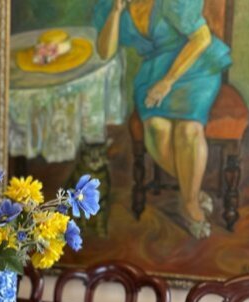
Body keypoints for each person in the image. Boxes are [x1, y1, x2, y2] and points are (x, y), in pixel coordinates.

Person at [94, 0, 232, 238]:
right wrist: (116, 12)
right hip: (152, 72)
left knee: (188, 131)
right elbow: (105, 51)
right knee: (156, 130)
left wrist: (168, 81)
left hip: (192, 65)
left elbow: (201, 38)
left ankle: (190, 205)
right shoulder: (110, 5)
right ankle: (192, 189)